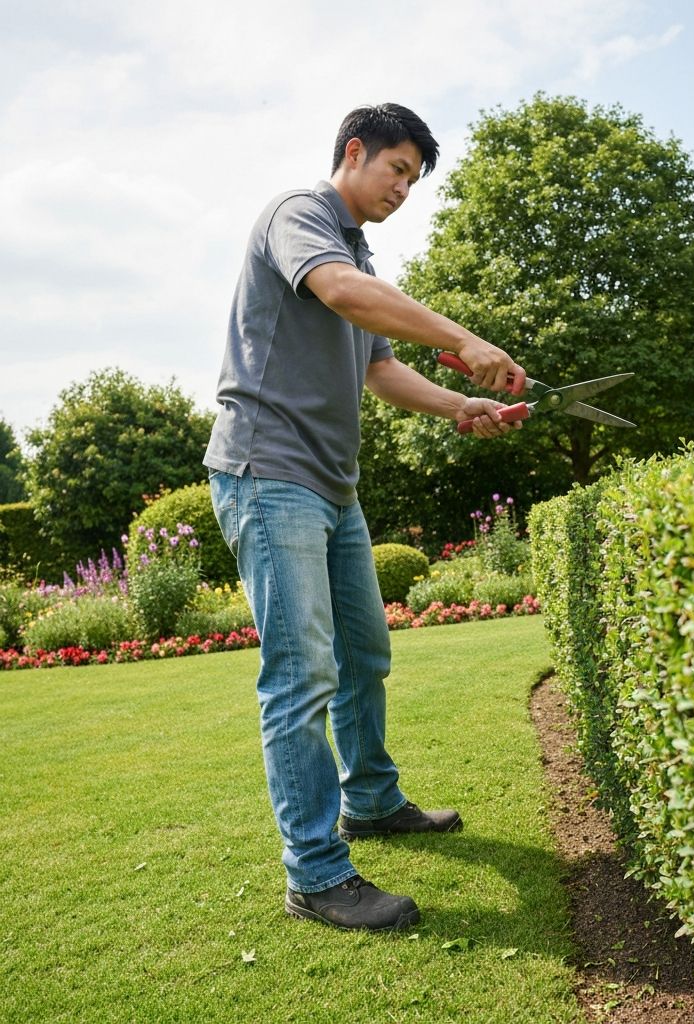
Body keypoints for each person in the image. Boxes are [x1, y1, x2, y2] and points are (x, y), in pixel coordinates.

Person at [203, 103, 525, 933]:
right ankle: (314, 874)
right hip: (268, 474)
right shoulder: (300, 217)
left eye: (414, 180)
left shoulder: (358, 249)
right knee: (301, 674)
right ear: (355, 151)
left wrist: (460, 404)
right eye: (398, 171)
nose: (405, 190)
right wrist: (463, 336)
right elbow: (345, 294)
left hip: (331, 487)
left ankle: (372, 801)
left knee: (364, 653)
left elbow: (379, 368)